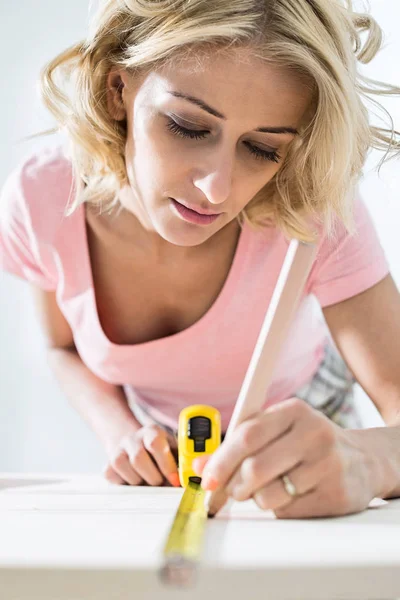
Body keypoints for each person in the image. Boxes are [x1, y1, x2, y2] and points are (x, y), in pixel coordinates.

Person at [1, 0, 400, 519]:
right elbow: (64, 349)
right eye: (189, 127)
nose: (216, 189)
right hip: (166, 453)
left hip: (310, 435)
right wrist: (122, 432)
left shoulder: (314, 213)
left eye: (261, 148)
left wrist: (369, 461)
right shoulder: (42, 197)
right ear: (116, 89)